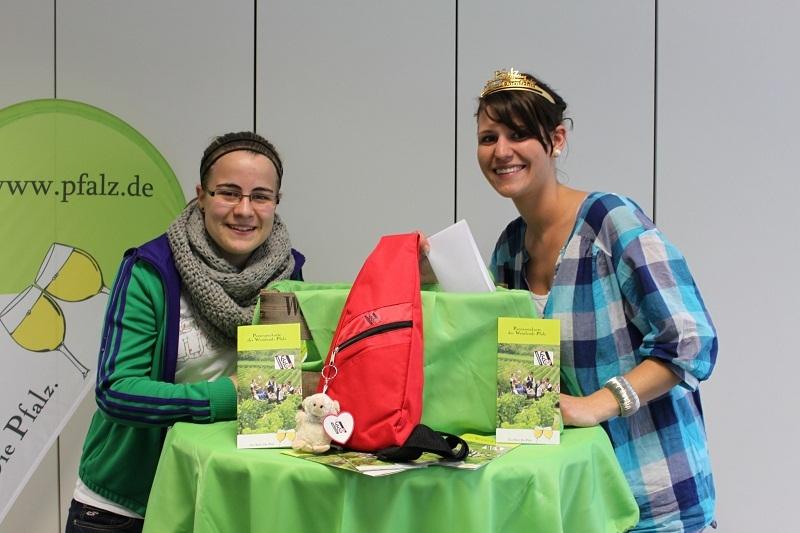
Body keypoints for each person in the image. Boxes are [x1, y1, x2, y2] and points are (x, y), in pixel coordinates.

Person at [476, 69, 717, 532]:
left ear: (557, 139)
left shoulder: (611, 221)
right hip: (571, 506)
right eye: (489, 137)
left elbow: (691, 339)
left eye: (519, 134)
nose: (501, 150)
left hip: (653, 502)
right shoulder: (508, 249)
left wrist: (598, 403)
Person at [65, 131, 303, 533]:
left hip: (225, 498)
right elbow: (116, 391)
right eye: (228, 192)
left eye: (260, 196)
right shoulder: (151, 269)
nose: (244, 210)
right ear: (202, 194)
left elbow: (284, 378)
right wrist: (228, 395)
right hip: (127, 508)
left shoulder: (287, 274)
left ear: (276, 202)